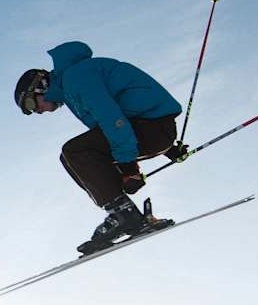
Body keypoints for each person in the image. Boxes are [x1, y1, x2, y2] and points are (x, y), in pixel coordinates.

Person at [15, 41, 186, 254]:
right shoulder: (72, 85)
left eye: (32, 106)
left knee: (75, 151)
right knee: (72, 157)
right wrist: (168, 150)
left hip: (153, 128)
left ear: (40, 86)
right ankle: (123, 213)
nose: (39, 112)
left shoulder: (76, 78)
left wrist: (130, 169)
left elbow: (112, 120)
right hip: (152, 128)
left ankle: (123, 214)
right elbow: (114, 127)